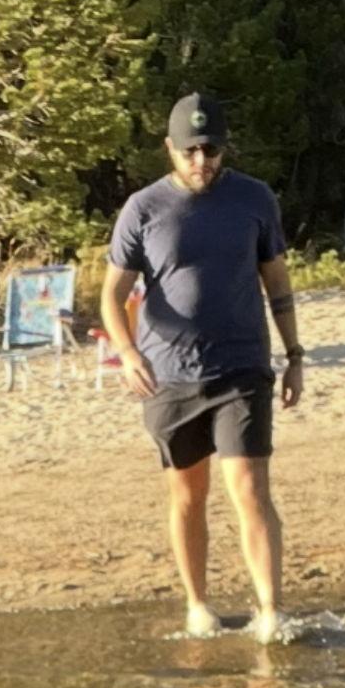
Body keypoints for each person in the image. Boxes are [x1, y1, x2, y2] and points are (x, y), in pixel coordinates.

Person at [99, 92, 308, 642]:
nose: (201, 162)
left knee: (249, 488)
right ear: (169, 148)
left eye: (210, 149)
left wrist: (295, 357)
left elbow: (277, 282)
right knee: (188, 496)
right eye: (190, 151)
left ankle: (270, 611)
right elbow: (111, 295)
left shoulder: (255, 200)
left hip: (242, 369)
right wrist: (127, 353)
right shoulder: (142, 209)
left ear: (223, 147)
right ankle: (198, 606)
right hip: (168, 377)